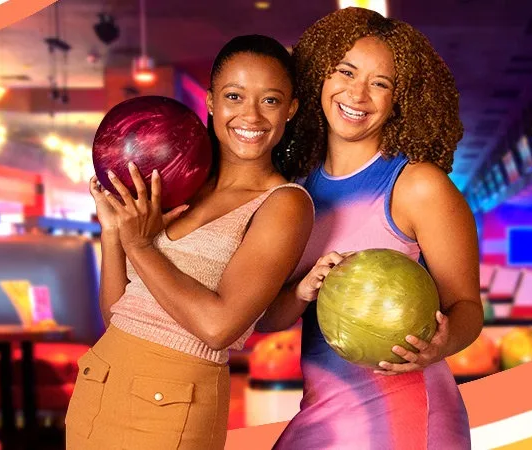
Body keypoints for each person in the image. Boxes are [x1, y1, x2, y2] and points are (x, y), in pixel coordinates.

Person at [65, 35, 314, 450]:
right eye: (234, 96)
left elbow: (220, 328)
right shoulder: (176, 186)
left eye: (269, 100)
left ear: (290, 109)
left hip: (173, 404)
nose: (250, 115)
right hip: (99, 383)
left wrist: (142, 247)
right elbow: (118, 317)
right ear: (212, 101)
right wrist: (114, 234)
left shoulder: (284, 204)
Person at [256, 8, 483, 450]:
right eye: (345, 72)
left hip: (407, 411)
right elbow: (267, 319)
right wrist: (303, 290)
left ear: (400, 100)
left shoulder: (419, 187)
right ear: (320, 76)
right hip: (326, 410)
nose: (357, 94)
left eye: (380, 83)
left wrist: (440, 344)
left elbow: (467, 307)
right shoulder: (294, 189)